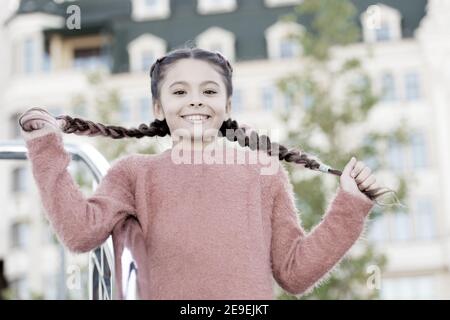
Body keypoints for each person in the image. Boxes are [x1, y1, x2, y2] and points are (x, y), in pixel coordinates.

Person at [18, 47, 383, 300]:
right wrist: (46, 146)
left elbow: (294, 272)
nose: (195, 100)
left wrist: (350, 204)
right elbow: (80, 232)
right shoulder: (134, 172)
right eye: (180, 91)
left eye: (209, 90)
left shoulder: (264, 174)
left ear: (226, 105)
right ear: (159, 107)